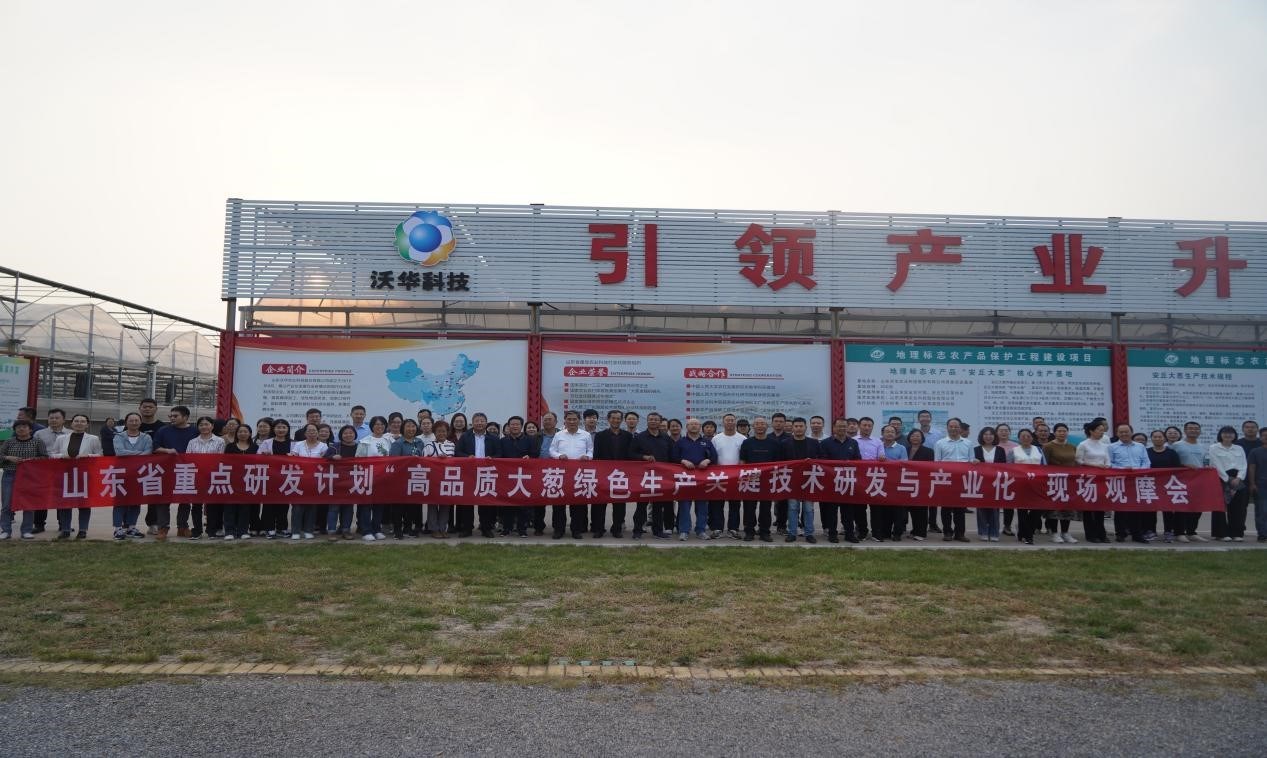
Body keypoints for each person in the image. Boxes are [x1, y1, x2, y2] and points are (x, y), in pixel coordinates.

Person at [152, 406, 201, 541]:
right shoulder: (163, 430)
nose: (172, 418)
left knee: (185, 499)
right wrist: (167, 451)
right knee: (164, 499)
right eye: (171, 416)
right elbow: (155, 447)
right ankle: (163, 528)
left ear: (185, 417)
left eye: (175, 416)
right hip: (166, 469)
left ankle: (182, 526)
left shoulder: (195, 431)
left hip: (187, 469)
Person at [548, 410, 593, 539]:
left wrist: (587, 457)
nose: (572, 422)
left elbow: (590, 451)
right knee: (559, 503)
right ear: (565, 421)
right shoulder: (559, 435)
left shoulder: (586, 435)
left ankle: (576, 530)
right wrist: (559, 455)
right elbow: (552, 450)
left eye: (574, 419)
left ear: (579, 421)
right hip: (561, 473)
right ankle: (559, 530)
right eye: (569, 419)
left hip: (579, 473)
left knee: (577, 503)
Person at [1, 420, 48, 540]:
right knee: (6, 504)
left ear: (30, 429)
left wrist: (31, 460)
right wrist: (8, 457)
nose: (21, 429)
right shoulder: (9, 442)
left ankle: (26, 530)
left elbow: (45, 458)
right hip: (10, 475)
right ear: (15, 430)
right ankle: (6, 530)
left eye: (24, 427)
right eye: (18, 427)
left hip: (30, 476)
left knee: (28, 504)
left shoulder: (37, 442)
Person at [738, 416, 783, 543]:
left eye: (762, 424)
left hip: (767, 480)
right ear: (753, 427)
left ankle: (764, 532)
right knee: (749, 507)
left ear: (767, 426)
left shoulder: (774, 443)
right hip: (750, 479)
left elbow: (777, 463)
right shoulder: (747, 442)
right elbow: (742, 461)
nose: (760, 426)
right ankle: (749, 531)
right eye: (757, 424)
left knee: (766, 508)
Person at [455, 412, 500, 538]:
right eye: (477, 421)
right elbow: (457, 452)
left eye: (482, 421)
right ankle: (467, 528)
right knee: (467, 502)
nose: (479, 423)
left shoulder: (493, 438)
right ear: (472, 423)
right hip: (469, 473)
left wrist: (493, 458)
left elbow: (499, 453)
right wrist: (467, 457)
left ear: (486, 423)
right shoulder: (465, 436)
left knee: (485, 502)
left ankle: (486, 528)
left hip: (486, 473)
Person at [630, 412, 673, 539]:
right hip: (644, 477)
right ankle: (637, 530)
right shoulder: (639, 437)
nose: (653, 421)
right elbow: (631, 454)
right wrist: (643, 457)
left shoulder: (666, 438)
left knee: (658, 506)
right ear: (647, 421)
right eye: (651, 419)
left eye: (656, 419)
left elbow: (671, 456)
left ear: (660, 422)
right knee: (641, 505)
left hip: (661, 477)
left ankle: (658, 531)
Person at [182, 415, 226, 540]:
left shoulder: (220, 441)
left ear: (212, 426)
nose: (204, 427)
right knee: (196, 505)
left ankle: (211, 530)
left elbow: (221, 459)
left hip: (213, 477)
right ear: (198, 427)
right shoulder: (192, 442)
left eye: (207, 424)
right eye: (201, 425)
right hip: (196, 477)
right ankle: (197, 531)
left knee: (212, 505)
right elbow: (188, 459)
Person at [674, 418, 717, 541]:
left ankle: (701, 530)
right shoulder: (680, 442)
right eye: (691, 424)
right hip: (685, 479)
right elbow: (674, 457)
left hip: (702, 479)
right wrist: (683, 461)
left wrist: (707, 460)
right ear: (686, 427)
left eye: (696, 424)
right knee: (684, 506)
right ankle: (684, 531)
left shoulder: (706, 442)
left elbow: (714, 457)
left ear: (700, 427)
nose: (694, 426)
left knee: (702, 506)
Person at [592, 409, 633, 538]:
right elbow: (596, 456)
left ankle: (617, 529)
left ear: (621, 420)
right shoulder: (600, 436)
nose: (616, 420)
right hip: (603, 474)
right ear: (608, 419)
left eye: (618, 418)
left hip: (621, 475)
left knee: (619, 503)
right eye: (613, 418)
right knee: (600, 503)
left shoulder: (627, 436)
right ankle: (599, 529)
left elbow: (630, 455)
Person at [111, 412, 153, 539]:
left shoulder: (146, 437)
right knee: (120, 502)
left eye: (136, 420)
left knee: (135, 502)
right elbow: (120, 452)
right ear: (126, 422)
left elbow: (148, 452)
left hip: (139, 474)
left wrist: (131, 454)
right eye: (131, 420)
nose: (134, 423)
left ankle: (131, 527)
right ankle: (118, 529)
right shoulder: (119, 436)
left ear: (140, 422)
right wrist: (139, 453)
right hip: (121, 473)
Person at [1108, 423, 1151, 543]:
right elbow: (1109, 464)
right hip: (1120, 480)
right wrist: (1122, 469)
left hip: (1137, 480)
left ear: (1131, 432)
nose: (1124, 434)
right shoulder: (1111, 447)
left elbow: (1146, 462)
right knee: (1120, 509)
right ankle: (1120, 534)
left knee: (1136, 508)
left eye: (1126, 431)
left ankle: (1136, 534)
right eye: (1121, 432)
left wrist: (1139, 471)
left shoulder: (1140, 446)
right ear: (1117, 434)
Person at [820, 418, 862, 543]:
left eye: (844, 426)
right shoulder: (825, 443)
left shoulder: (853, 443)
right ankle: (832, 534)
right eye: (839, 426)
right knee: (831, 511)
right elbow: (822, 460)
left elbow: (858, 460)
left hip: (848, 482)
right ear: (834, 428)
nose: (842, 428)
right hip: (831, 482)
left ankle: (849, 534)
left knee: (848, 511)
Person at [933, 418, 972, 542]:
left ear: (960, 428)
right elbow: (937, 462)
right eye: (951, 426)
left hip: (962, 479)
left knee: (960, 509)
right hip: (946, 479)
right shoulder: (940, 443)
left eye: (956, 426)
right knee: (946, 508)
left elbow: (971, 461)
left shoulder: (968, 443)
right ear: (947, 428)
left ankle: (960, 533)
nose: (953, 429)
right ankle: (947, 532)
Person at [1074, 418, 1112, 543]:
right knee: (1089, 508)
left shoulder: (1104, 445)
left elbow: (1108, 460)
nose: (1102, 432)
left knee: (1100, 507)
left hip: (1101, 479)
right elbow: (1078, 460)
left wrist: (1106, 466)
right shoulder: (1083, 444)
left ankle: (1101, 533)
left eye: (1103, 430)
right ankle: (1091, 534)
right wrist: (1094, 465)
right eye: (1099, 430)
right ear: (1091, 431)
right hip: (1088, 479)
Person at [1170, 421, 1209, 542]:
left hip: (1199, 479)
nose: (1193, 430)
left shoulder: (1203, 446)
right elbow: (1171, 461)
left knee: (1197, 506)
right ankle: (1179, 532)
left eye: (1196, 428)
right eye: (1190, 428)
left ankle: (1192, 532)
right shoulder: (1177, 445)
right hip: (1182, 479)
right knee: (1182, 506)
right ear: (1185, 431)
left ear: (1200, 431)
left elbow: (1205, 461)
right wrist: (1185, 465)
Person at [287, 422, 328, 539]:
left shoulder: (323, 446)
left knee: (312, 505)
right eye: (309, 431)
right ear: (305, 433)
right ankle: (296, 531)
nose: (312, 433)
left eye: (314, 430)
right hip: (299, 479)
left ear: (318, 433)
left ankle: (308, 530)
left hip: (315, 480)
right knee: (297, 506)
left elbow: (326, 463)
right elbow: (293, 458)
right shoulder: (298, 444)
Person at [354, 416, 392, 540]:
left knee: (379, 505)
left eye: (382, 424)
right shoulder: (365, 441)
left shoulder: (388, 441)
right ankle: (366, 531)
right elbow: (358, 460)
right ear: (372, 426)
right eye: (376, 424)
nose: (379, 427)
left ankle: (377, 529)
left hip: (383, 478)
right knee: (366, 505)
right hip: (368, 477)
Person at [1208, 425, 1248, 542]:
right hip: (1221, 478)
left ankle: (1236, 533)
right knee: (1219, 507)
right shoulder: (1214, 447)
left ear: (1234, 435)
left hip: (1237, 479)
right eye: (1225, 433)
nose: (1228, 435)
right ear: (1220, 435)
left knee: (1238, 507)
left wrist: (1239, 478)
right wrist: (1227, 479)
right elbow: (1216, 464)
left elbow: (1244, 464)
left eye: (1231, 433)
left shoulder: (1239, 448)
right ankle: (1220, 533)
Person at [31, 408, 69, 534]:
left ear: (63, 420)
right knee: (41, 497)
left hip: (64, 470)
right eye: (51, 418)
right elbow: (34, 451)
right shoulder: (39, 434)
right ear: (47, 419)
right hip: (44, 470)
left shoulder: (70, 433)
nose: (53, 420)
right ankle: (39, 525)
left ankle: (63, 524)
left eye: (57, 418)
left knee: (62, 497)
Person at [497, 415, 535, 536]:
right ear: (508, 426)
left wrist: (530, 457)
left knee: (523, 505)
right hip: (507, 477)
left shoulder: (529, 440)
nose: (514, 426)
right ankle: (507, 528)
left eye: (517, 424)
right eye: (512, 424)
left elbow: (535, 455)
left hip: (524, 476)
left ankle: (522, 529)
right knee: (507, 504)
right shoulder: (503, 441)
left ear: (521, 426)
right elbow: (499, 456)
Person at [1041, 423, 1079, 543]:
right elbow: (1044, 464)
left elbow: (1076, 463)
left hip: (1069, 481)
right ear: (1055, 433)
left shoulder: (1072, 447)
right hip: (1054, 481)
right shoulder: (1048, 446)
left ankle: (1065, 532)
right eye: (1059, 431)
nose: (1062, 433)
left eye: (1064, 431)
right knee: (1054, 509)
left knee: (1068, 508)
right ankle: (1054, 533)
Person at [710, 413, 746, 539]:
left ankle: (733, 529)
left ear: (735, 422)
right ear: (723, 422)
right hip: (719, 476)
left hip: (736, 476)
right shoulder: (716, 439)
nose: (730, 422)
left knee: (735, 504)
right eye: (727, 420)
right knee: (717, 504)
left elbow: (744, 457)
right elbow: (713, 457)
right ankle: (717, 528)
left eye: (732, 420)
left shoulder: (742, 438)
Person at [387, 419, 425, 539]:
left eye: (413, 426)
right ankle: (397, 530)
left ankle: (408, 528)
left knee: (412, 506)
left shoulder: (419, 442)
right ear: (403, 428)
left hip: (415, 478)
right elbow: (394, 462)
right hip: (400, 479)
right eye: (408, 426)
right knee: (399, 506)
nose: (411, 429)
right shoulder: (398, 443)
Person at [223, 423, 259, 539]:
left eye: (245, 432)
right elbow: (225, 462)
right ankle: (229, 531)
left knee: (245, 507)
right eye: (240, 432)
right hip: (232, 480)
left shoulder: (255, 448)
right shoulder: (230, 447)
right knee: (230, 506)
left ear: (250, 434)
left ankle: (243, 531)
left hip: (249, 481)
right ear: (236, 434)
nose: (243, 434)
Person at [1009, 429, 1045, 545]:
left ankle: (1023, 532)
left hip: (1037, 484)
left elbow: (1044, 466)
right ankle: (1028, 536)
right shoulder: (1013, 451)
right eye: (1023, 436)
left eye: (1028, 436)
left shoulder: (1038, 450)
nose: (1026, 438)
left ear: (1032, 438)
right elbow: (1008, 468)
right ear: (1019, 438)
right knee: (1022, 511)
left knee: (1037, 510)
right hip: (1020, 484)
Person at [1146, 430, 1181, 542]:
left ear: (1164, 438)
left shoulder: (1171, 453)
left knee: (1168, 509)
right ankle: (1151, 531)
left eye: (1160, 437)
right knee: (1151, 509)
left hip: (1167, 484)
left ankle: (1168, 531)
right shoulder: (1146, 451)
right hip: (1151, 484)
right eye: (1155, 437)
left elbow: (1177, 468)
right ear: (1151, 439)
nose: (1157, 439)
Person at [972, 425, 1006, 541]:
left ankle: (994, 532)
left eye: (990, 434)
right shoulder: (976, 449)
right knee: (981, 508)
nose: (988, 436)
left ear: (994, 436)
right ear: (981, 436)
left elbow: (1004, 467)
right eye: (985, 434)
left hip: (996, 483)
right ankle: (983, 531)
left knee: (995, 508)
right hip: (980, 482)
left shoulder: (1000, 450)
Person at [875, 423, 907, 541]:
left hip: (896, 482)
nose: (889, 434)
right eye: (887, 431)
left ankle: (897, 533)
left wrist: (887, 461)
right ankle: (885, 532)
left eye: (892, 432)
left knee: (898, 510)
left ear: (896, 434)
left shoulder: (901, 448)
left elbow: (904, 464)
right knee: (884, 509)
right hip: (881, 482)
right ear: (882, 434)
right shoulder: (878, 446)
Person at [424, 420, 456, 537]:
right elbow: (423, 461)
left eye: (444, 431)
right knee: (432, 505)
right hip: (433, 479)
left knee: (445, 505)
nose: (441, 433)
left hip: (447, 479)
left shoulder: (452, 445)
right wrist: (437, 459)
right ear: (434, 432)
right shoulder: (428, 445)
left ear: (447, 432)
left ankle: (443, 528)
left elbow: (456, 461)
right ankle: (433, 529)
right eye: (438, 431)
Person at [854, 417, 883, 540]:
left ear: (872, 427)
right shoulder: (853, 441)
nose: (866, 428)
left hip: (873, 477)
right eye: (864, 425)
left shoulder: (878, 442)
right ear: (859, 426)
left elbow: (881, 458)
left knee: (876, 507)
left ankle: (876, 532)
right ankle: (862, 531)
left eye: (869, 425)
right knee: (859, 507)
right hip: (858, 478)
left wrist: (881, 459)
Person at [905, 429, 934, 541]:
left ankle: (921, 533)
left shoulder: (928, 451)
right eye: (913, 436)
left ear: (922, 438)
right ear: (909, 438)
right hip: (908, 482)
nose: (915, 438)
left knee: (921, 509)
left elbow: (930, 467)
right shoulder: (905, 449)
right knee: (912, 508)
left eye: (918, 436)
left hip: (922, 483)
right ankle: (914, 530)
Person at [1247, 426, 1267, 543]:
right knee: (1262, 511)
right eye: (1264, 435)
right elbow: (1252, 468)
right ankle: (1262, 534)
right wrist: (1252, 483)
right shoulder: (1255, 451)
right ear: (1260, 437)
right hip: (1261, 485)